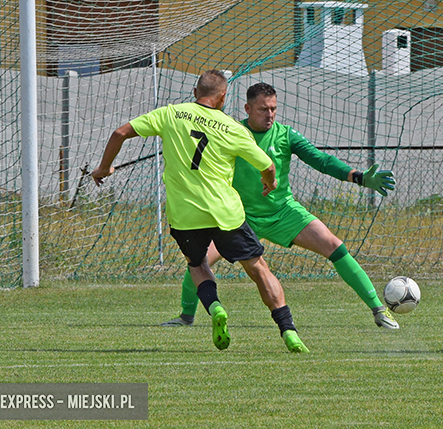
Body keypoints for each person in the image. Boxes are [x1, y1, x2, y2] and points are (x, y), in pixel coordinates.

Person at [92, 70, 309, 353]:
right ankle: (289, 331)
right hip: (225, 212)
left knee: (197, 264)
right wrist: (269, 183)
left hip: (185, 215)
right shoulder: (232, 128)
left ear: (196, 93)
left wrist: (105, 167)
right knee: (257, 268)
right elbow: (267, 166)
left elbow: (120, 132)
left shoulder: (171, 114)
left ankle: (215, 307)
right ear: (222, 98)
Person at [161, 82, 401, 330]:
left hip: (284, 212)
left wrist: (357, 176)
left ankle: (379, 311)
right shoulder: (230, 131)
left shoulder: (286, 135)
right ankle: (186, 317)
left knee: (335, 246)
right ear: (247, 108)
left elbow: (320, 159)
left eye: (274, 108)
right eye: (263, 109)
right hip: (238, 217)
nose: (270, 114)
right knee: (198, 260)